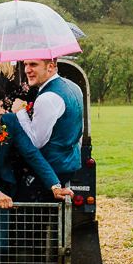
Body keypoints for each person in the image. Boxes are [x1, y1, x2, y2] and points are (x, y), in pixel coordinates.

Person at [11, 59, 84, 193]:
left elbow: (36, 142)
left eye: (33, 64)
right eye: (25, 64)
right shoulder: (73, 86)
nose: (27, 70)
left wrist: (20, 111)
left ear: (50, 67)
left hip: (50, 171)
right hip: (69, 164)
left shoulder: (47, 97)